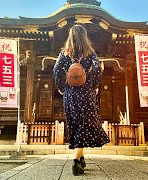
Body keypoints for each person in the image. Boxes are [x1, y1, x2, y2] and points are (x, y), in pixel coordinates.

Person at [53, 24, 110, 176]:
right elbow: (97, 69)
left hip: (70, 95)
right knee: (83, 126)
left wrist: (61, 87)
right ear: (85, 37)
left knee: (75, 126)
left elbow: (56, 70)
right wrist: (95, 86)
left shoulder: (64, 54)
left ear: (70, 37)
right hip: (86, 94)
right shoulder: (91, 54)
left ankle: (81, 157)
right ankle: (77, 162)